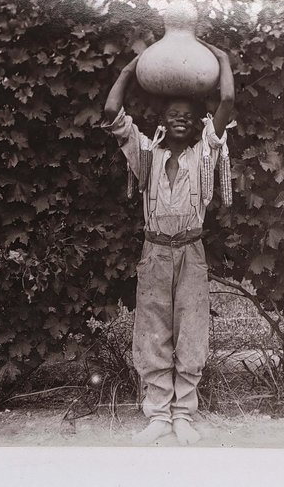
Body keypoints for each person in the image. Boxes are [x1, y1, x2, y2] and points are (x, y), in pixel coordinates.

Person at [101, 41, 235, 446]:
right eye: (174, 115)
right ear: (161, 120)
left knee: (191, 333)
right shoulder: (147, 154)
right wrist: (130, 69)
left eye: (188, 117)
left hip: (191, 251)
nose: (181, 120)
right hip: (155, 251)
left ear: (197, 125)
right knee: (153, 333)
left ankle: (183, 415)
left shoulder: (204, 155)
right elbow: (112, 113)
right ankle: (158, 415)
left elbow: (227, 101)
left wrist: (222, 59)